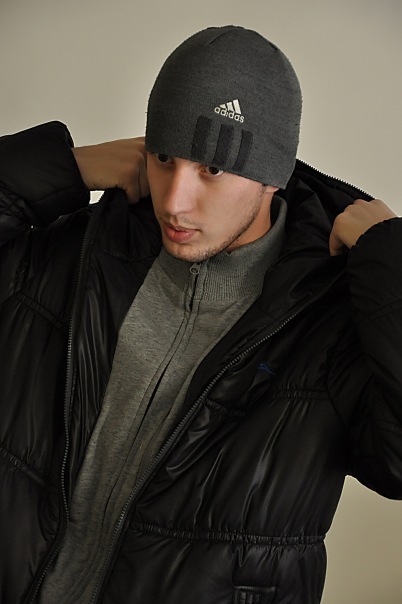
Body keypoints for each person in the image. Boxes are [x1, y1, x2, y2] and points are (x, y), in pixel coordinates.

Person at [0, 25, 401, 604]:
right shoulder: (69, 255)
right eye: (164, 158)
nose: (174, 200)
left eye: (212, 169)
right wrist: (63, 168)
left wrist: (391, 262)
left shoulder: (330, 323)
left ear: (271, 175)